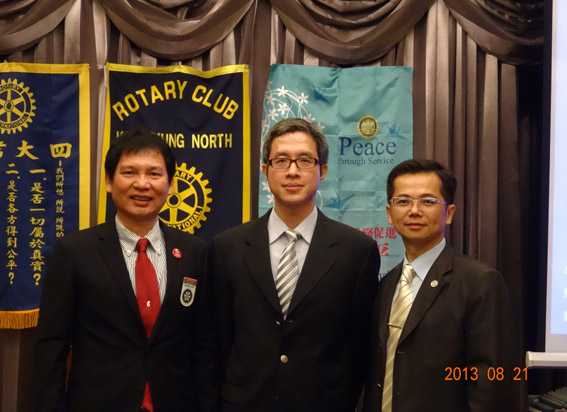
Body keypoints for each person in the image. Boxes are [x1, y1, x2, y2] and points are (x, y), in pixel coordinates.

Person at [34, 129, 214, 412]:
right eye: (129, 172)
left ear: (171, 185)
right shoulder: (75, 252)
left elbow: (204, 346)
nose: (142, 184)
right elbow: (51, 346)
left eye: (154, 174)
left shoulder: (195, 253)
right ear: (108, 181)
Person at [210, 118, 380, 412]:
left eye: (304, 160)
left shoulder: (357, 251)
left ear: (322, 171)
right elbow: (218, 340)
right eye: (281, 161)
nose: (292, 171)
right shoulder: (227, 247)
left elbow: (359, 346)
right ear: (265, 170)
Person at [362, 159, 517, 412]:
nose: (414, 210)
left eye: (428, 201)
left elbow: (494, 380)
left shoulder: (480, 281)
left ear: (450, 213)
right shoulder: (386, 285)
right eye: (403, 201)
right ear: (389, 213)